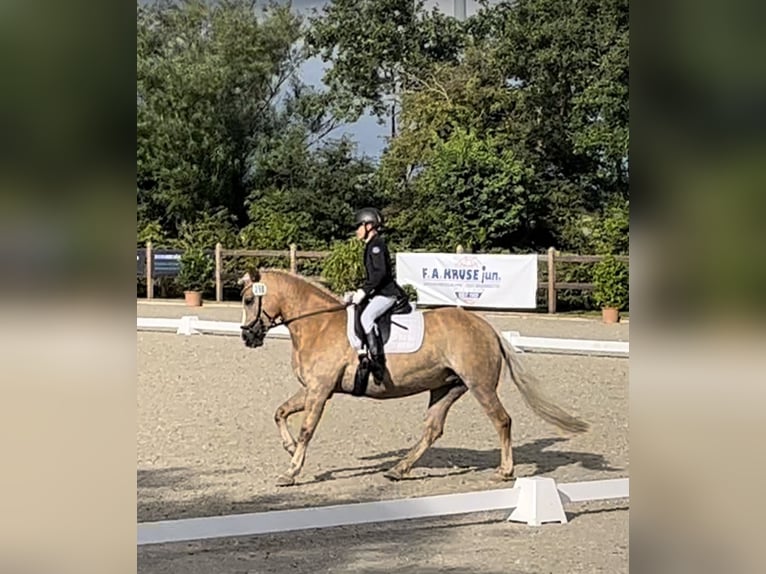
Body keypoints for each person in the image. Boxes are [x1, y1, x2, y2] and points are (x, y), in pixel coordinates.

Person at [344, 207, 404, 381]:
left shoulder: (377, 245)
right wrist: (358, 291)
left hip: (387, 294)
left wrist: (364, 291)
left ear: (369, 225)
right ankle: (363, 352)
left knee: (366, 318)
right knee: (358, 310)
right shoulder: (371, 245)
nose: (356, 231)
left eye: (359, 226)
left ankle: (378, 362)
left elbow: (380, 273)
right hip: (378, 292)